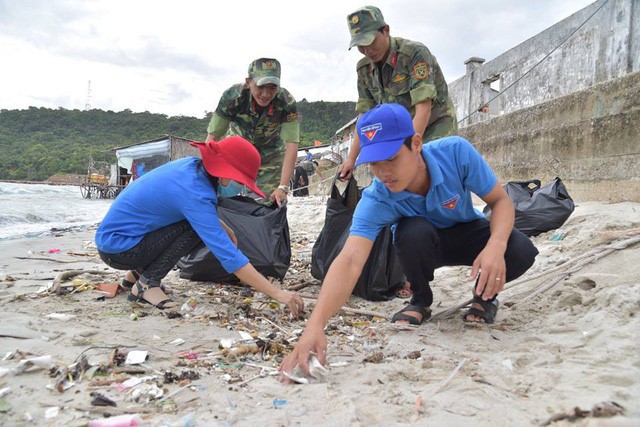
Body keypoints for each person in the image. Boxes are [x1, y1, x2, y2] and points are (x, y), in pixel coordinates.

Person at [280, 103, 538, 377]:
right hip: (422, 244)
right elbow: (350, 259)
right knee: (410, 231)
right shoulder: (378, 196)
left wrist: (495, 248)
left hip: (466, 230)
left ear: (415, 144)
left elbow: (500, 202)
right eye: (374, 163)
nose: (383, 173)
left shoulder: (455, 153)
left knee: (519, 249)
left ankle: (485, 297)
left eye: (391, 158)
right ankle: (420, 299)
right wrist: (315, 326)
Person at [95, 135, 304, 316]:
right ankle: (146, 285)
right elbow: (229, 256)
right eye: (240, 182)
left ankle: (136, 275)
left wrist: (224, 227)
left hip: (116, 241)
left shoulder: (190, 168)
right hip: (120, 250)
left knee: (195, 225)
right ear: (225, 175)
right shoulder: (197, 193)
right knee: (193, 229)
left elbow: (188, 211)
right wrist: (278, 294)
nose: (240, 188)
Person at [339, 5, 458, 181]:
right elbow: (363, 117)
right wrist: (350, 159)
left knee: (439, 178)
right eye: (360, 46)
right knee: (401, 185)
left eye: (370, 42)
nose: (367, 51)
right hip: (400, 133)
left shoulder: (413, 54)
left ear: (386, 30)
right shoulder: (364, 69)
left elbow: (423, 108)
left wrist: (409, 151)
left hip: (434, 125)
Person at [205, 58, 299, 207]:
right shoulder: (232, 97)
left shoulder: (286, 102)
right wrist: (207, 175)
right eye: (261, 87)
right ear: (248, 82)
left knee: (273, 202)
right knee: (221, 197)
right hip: (238, 151)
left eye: (272, 88)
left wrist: (283, 186)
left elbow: (292, 145)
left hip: (271, 154)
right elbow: (213, 137)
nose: (266, 94)